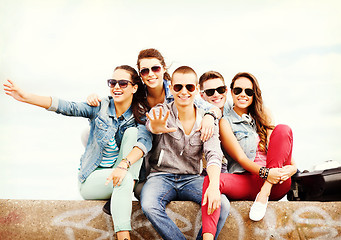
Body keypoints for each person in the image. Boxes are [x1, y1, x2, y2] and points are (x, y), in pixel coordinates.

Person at [3, 65, 153, 240]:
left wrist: (123, 165)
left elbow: (144, 143)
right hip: (93, 179)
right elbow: (68, 107)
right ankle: (124, 237)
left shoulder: (140, 114)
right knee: (125, 179)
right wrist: (27, 97)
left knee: (134, 135)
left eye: (123, 83)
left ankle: (124, 189)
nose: (116, 87)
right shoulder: (100, 107)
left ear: (134, 88)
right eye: (112, 82)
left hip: (119, 173)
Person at [86, 49, 222, 211]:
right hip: (142, 143)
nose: (151, 74)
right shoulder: (137, 95)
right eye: (145, 70)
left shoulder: (178, 90)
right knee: (126, 135)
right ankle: (122, 189)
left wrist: (209, 116)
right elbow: (115, 99)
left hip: (168, 150)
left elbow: (211, 108)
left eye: (155, 68)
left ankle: (129, 187)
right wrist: (96, 99)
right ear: (141, 75)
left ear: (164, 69)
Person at [200, 72, 297, 239]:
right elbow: (241, 159)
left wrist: (288, 171)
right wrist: (267, 173)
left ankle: (264, 193)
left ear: (254, 95)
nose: (243, 94)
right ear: (231, 92)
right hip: (247, 180)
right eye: (238, 90)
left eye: (248, 91)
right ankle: (208, 237)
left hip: (274, 185)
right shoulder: (225, 122)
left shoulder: (263, 117)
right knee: (211, 181)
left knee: (283, 129)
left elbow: (291, 161)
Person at [140, 66, 230, 240]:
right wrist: (156, 128)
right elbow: (152, 122)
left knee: (223, 204)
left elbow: (214, 155)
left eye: (189, 87)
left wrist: (213, 186)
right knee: (149, 205)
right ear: (171, 88)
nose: (183, 92)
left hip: (191, 178)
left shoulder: (207, 119)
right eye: (178, 87)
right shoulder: (161, 112)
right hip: (161, 176)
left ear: (196, 89)